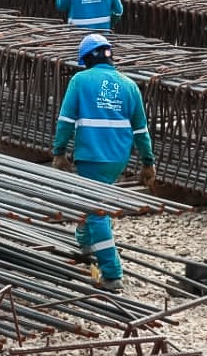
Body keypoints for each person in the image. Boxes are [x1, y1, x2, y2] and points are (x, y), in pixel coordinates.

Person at [51, 34, 156, 293]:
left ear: (86, 60)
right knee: (93, 202)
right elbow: (141, 131)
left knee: (97, 212)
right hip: (117, 158)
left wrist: (59, 152)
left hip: (91, 155)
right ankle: (84, 243)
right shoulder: (129, 85)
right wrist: (147, 162)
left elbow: (65, 120)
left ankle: (111, 273)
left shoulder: (80, 80)